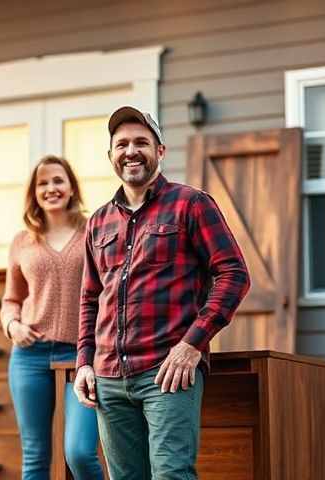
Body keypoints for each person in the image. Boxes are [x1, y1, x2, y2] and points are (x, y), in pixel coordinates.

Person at [73, 106, 251, 479]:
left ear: (160, 151)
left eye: (142, 142)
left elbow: (234, 274)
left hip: (166, 372)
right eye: (121, 144)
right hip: (108, 377)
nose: (131, 151)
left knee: (172, 474)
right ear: (111, 156)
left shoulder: (192, 204)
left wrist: (192, 345)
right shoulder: (98, 221)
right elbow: (90, 297)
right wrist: (84, 362)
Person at [0, 155, 104, 480]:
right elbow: (11, 299)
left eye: (58, 180)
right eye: (42, 183)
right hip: (29, 357)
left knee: (81, 453)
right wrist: (12, 325)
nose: (51, 188)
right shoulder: (22, 240)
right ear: (34, 192)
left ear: (71, 187)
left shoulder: (94, 231)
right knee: (35, 457)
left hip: (81, 356)